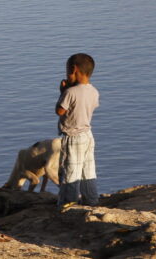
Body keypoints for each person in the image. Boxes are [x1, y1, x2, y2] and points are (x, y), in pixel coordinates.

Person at [55, 52, 100, 207]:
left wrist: (62, 92)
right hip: (87, 135)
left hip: (73, 137)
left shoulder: (70, 92)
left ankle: (68, 203)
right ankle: (91, 200)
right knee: (88, 170)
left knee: (70, 170)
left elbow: (60, 111)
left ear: (73, 69)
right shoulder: (94, 91)